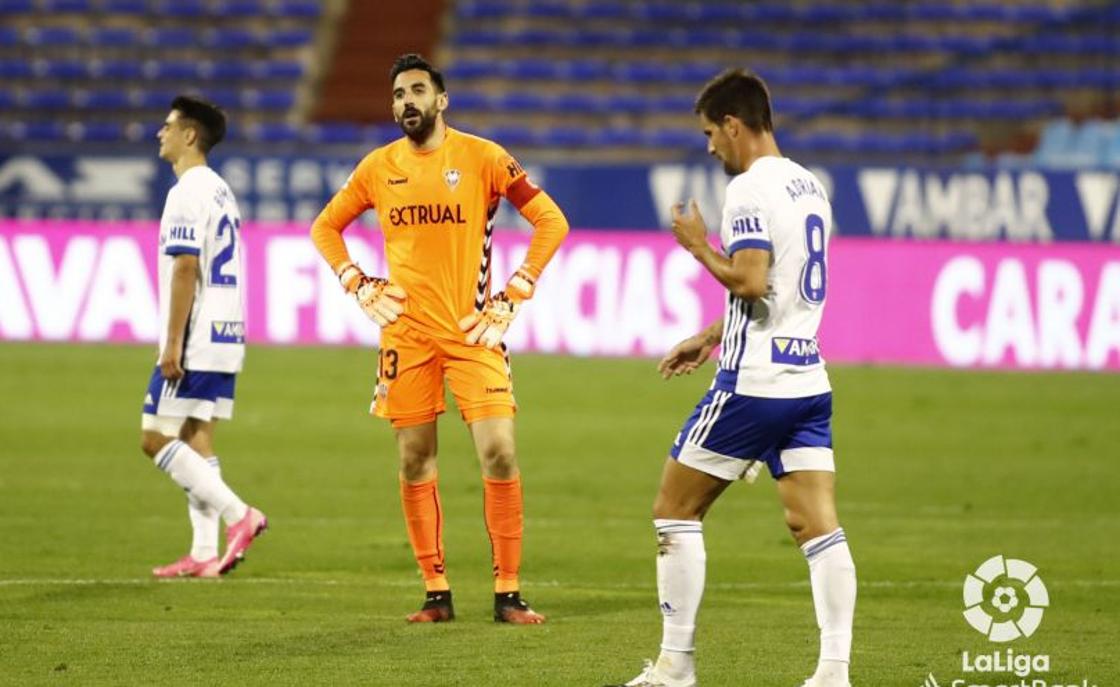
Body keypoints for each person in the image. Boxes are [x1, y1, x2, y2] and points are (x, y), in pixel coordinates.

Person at [611, 69, 857, 687]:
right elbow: (779, 291)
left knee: (674, 510)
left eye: (709, 134)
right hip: (807, 381)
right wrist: (710, 333)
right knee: (816, 526)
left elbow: (748, 280)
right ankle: (833, 672)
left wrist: (696, 245)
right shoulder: (810, 187)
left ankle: (676, 665)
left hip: (754, 385)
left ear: (733, 124)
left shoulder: (748, 190)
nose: (709, 148)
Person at [309, 53, 568, 624]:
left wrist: (516, 290)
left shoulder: (483, 158)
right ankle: (436, 591)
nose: (407, 101)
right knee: (414, 458)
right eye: (398, 93)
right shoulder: (379, 166)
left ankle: (508, 591)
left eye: (417, 91)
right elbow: (325, 226)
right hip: (406, 334)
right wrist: (355, 281)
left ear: (441, 100)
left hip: (473, 329)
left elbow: (551, 220)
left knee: (500, 452)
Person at [141, 95, 267, 579]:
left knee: (154, 438)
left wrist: (171, 344)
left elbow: (186, 267)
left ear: (189, 135)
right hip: (226, 331)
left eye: (168, 126)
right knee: (197, 438)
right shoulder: (219, 190)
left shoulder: (186, 192)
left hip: (195, 337)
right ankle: (202, 553)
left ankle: (241, 516)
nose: (161, 133)